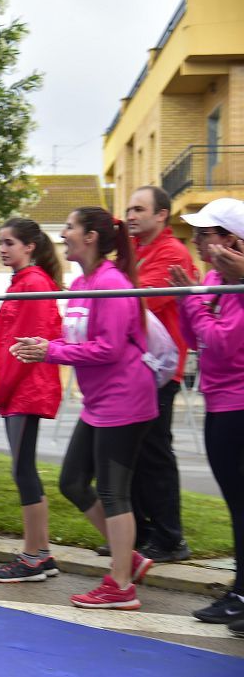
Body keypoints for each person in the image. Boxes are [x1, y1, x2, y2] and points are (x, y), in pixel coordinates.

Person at [13, 206, 157, 610]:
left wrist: (50, 351)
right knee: (73, 482)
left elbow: (109, 349)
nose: (63, 235)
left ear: (90, 236)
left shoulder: (111, 282)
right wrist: (45, 348)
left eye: (70, 227)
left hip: (125, 399)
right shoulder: (81, 282)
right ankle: (128, 558)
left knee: (113, 492)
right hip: (100, 401)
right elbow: (75, 339)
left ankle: (121, 586)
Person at [171, 198, 244, 631]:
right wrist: (187, 301)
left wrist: (192, 303)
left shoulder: (235, 285)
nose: (197, 241)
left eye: (206, 233)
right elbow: (194, 339)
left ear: (233, 241)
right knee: (237, 506)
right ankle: (238, 589)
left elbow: (221, 344)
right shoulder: (218, 279)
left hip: (238, 405)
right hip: (219, 402)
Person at [0, 218, 63, 582]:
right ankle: (41, 553)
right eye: (0, 242)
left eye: (9, 242)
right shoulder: (25, 282)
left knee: (23, 470)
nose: (2, 249)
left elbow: (23, 348)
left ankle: (33, 556)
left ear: (30, 246)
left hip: (24, 390)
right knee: (23, 469)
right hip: (21, 390)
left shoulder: (32, 284)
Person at [124, 185, 194, 563]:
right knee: (132, 453)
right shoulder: (137, 250)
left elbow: (138, 302)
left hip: (160, 371)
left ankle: (170, 538)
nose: (131, 216)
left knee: (154, 453)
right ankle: (139, 534)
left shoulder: (173, 253)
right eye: (129, 209)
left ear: (161, 215)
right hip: (134, 369)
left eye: (139, 209)